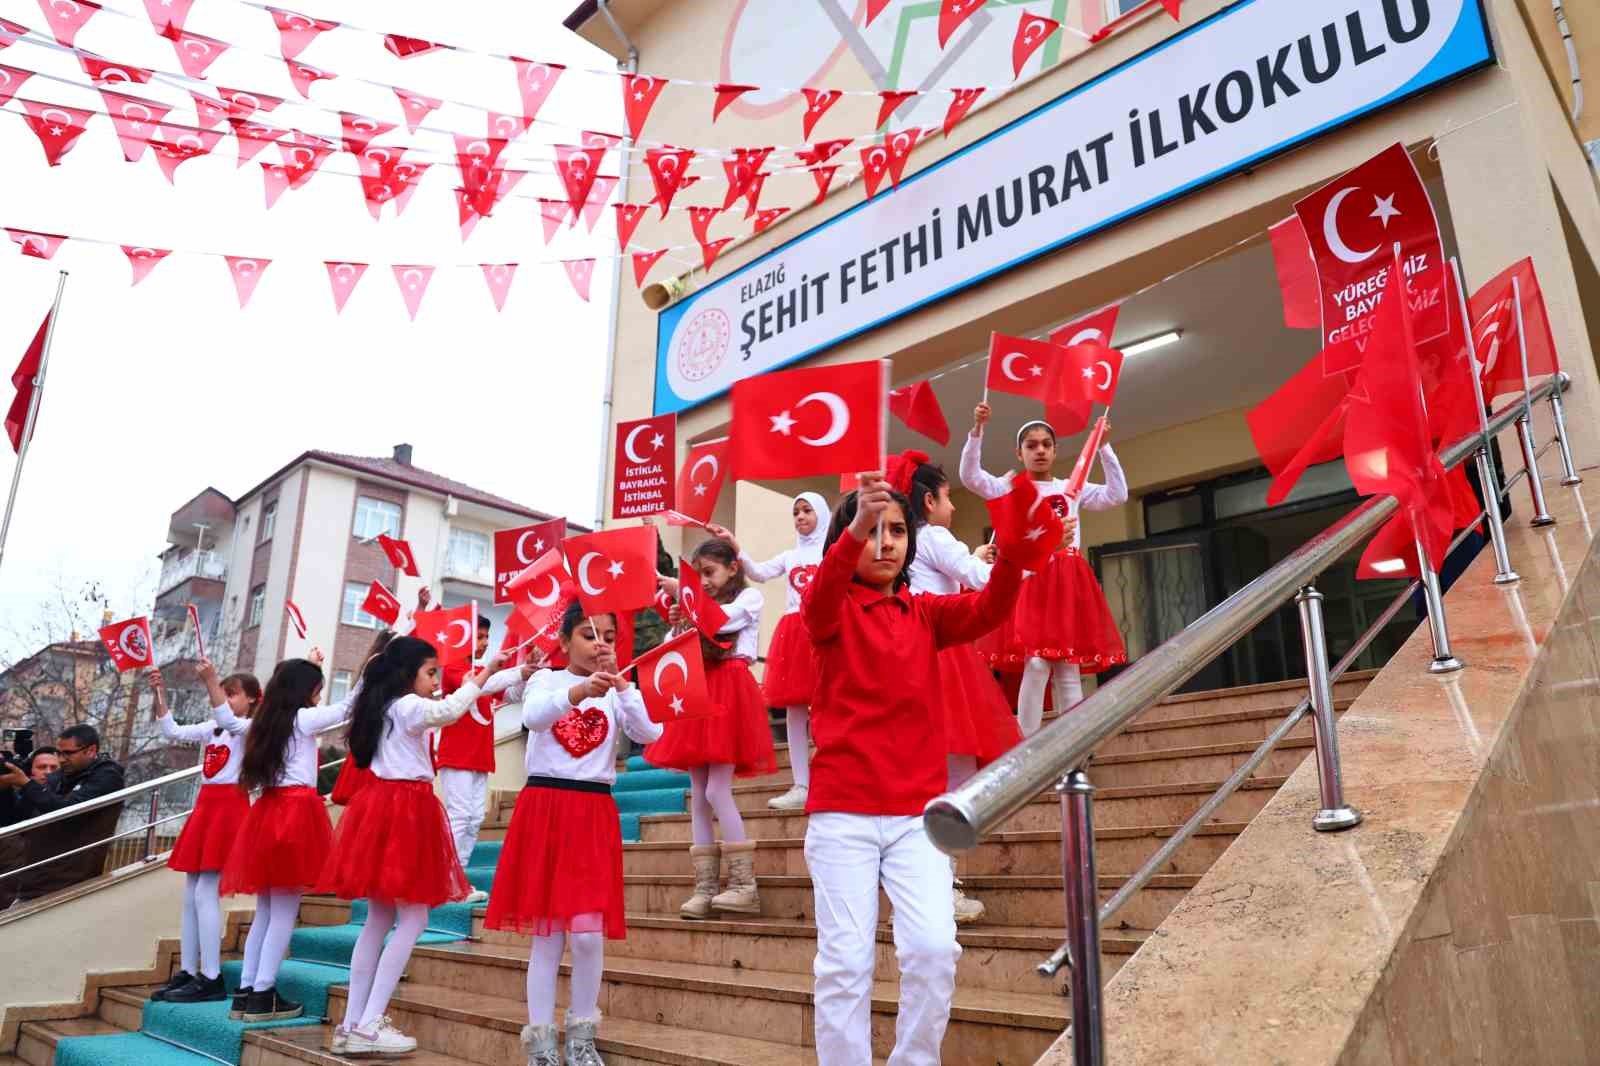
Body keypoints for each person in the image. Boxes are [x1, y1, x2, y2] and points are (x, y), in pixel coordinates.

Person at [802, 473, 1024, 1065]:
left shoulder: (924, 613)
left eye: (897, 530)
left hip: (916, 818)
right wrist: (853, 529)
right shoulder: (830, 610)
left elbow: (991, 606)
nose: (885, 542)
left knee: (932, 949)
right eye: (872, 531)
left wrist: (1016, 558)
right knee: (846, 963)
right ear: (844, 540)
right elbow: (820, 596)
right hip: (842, 814)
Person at [319, 635, 515, 1057]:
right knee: (414, 919)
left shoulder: (380, 708)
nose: (435, 681)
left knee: (377, 921)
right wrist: (485, 672)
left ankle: (352, 1022)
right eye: (431, 673)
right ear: (410, 674)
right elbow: (449, 711)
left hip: (381, 807)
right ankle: (369, 1022)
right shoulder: (406, 706)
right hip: (405, 808)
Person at [486, 603, 660, 1066]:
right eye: (588, 634)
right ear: (564, 642)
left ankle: (582, 1034)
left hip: (592, 811)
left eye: (608, 635)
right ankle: (540, 1043)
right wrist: (581, 690)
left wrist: (623, 688)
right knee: (548, 934)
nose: (600, 644)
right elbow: (536, 717)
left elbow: (651, 733)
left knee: (586, 935)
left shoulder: (618, 688)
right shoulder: (548, 680)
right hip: (545, 807)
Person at [893, 450, 1031, 927]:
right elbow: (979, 582)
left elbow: (951, 575)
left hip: (913, 658)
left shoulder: (909, 541)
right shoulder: (933, 534)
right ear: (929, 500)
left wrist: (972, 557)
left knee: (930, 773)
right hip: (945, 658)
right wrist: (1023, 558)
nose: (952, 507)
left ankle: (924, 885)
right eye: (949, 497)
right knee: (953, 775)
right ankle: (941, 887)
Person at [961, 405, 1128, 735]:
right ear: (1019, 453)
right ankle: (1024, 747)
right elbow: (970, 476)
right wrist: (977, 431)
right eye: (1031, 445)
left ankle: (1073, 748)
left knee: (1067, 668)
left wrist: (1103, 445)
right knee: (1036, 664)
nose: (1039, 450)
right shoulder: (1010, 488)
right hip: (1030, 580)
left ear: (1055, 450)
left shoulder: (1072, 487)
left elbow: (1117, 494)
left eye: (1045, 444)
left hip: (1067, 581)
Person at [647, 538, 776, 920]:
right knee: (698, 794)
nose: (704, 581)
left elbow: (722, 622)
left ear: (733, 569)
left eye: (709, 572)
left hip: (729, 692)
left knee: (718, 788)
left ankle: (743, 886)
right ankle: (705, 887)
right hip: (698, 692)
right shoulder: (693, 607)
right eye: (698, 574)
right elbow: (674, 646)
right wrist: (678, 618)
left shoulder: (748, 601)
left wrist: (686, 599)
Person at [217, 655, 347, 1024]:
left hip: (269, 811)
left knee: (267, 912)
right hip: (296, 812)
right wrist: (377, 662)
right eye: (318, 690)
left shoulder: (265, 721)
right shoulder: (303, 718)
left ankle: (246, 991)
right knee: (284, 913)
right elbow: (348, 706)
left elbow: (226, 719)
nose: (320, 698)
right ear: (305, 690)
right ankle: (263, 993)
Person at [708, 491, 831, 811]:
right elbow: (759, 572)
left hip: (826, 633)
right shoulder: (790, 556)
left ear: (822, 513)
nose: (801, 517)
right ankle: (801, 784)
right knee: (794, 711)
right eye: (796, 512)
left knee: (829, 706)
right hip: (794, 633)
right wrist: (735, 544)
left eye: (807, 510)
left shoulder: (834, 551)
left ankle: (831, 778)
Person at [148, 662, 262, 1004]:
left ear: (254, 700)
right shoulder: (214, 728)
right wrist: (159, 692)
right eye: (223, 693)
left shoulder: (250, 727)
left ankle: (212, 976)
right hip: (207, 807)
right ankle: (189, 970)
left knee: (205, 893)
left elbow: (229, 719)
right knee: (191, 895)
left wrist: (210, 681)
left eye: (233, 694)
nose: (225, 700)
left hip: (229, 809)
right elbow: (172, 731)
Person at [0, 724, 126, 904]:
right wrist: (5, 790)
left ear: (91, 750)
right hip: (35, 878)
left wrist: (27, 784)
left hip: (68, 879)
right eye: (59, 753)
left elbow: (66, 811)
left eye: (68, 753)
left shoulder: (107, 777)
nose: (62, 759)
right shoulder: (59, 777)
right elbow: (16, 818)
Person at [436, 613, 498, 903]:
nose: (484, 643)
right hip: (457, 755)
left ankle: (456, 881)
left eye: (487, 637)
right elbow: (476, 685)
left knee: (475, 819)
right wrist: (502, 670)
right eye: (479, 637)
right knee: (459, 817)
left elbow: (500, 689)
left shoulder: (482, 671)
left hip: (480, 757)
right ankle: (446, 880)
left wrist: (525, 671)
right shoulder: (452, 669)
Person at [329, 628, 400, 807]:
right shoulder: (374, 673)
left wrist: (419, 611)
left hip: (382, 747)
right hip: (372, 747)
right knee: (367, 805)